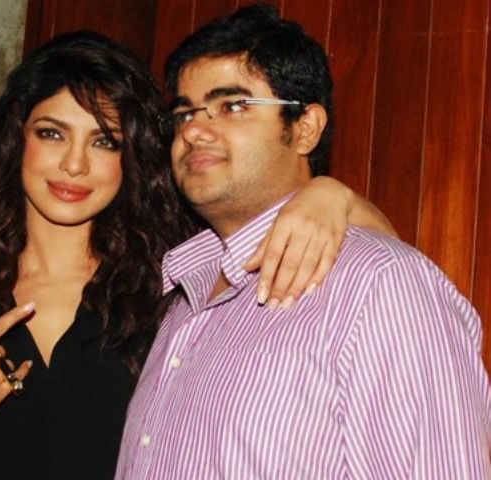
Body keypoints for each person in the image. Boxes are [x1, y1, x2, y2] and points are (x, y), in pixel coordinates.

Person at [0, 31, 394, 480]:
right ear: (16, 141)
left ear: (131, 158)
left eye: (104, 141)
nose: (74, 164)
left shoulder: (173, 288)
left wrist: (335, 196)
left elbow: (401, 275)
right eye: (52, 133)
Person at [115, 5, 491, 479]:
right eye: (185, 112)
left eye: (233, 106)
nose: (192, 129)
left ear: (305, 128)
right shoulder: (182, 301)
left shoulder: (378, 284)